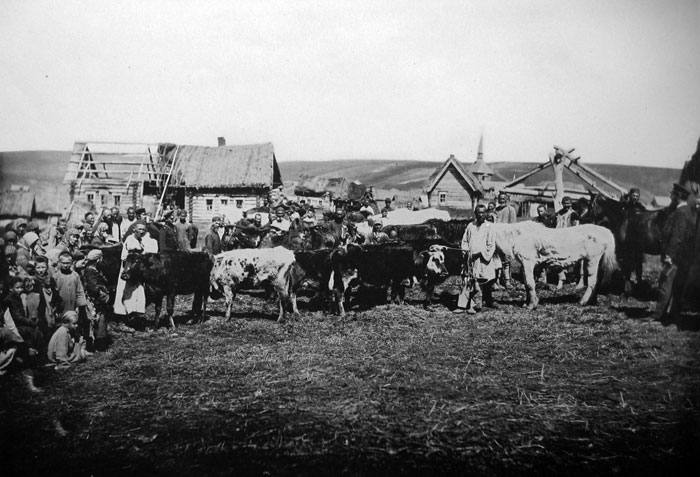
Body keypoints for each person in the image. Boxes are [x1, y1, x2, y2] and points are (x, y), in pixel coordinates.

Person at [654, 183, 696, 323]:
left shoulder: (680, 213)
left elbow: (677, 237)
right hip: (682, 257)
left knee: (665, 285)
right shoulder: (687, 211)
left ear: (678, 197)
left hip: (675, 257)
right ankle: (673, 315)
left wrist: (669, 256)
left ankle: (659, 316)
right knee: (675, 287)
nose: (670, 196)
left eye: (672, 194)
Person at [455, 204, 498, 314]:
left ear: (486, 214)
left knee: (478, 283)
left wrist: (479, 254)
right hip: (469, 259)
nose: (481, 215)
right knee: (465, 281)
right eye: (479, 212)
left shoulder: (490, 227)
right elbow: (464, 241)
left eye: (483, 212)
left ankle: (474, 306)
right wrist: (466, 252)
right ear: (475, 213)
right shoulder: (471, 226)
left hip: (482, 260)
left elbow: (491, 245)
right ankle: (461, 305)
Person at [113, 221, 149, 323]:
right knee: (128, 292)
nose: (141, 232)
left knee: (137, 291)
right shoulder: (130, 239)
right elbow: (130, 255)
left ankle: (134, 315)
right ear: (134, 230)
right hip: (129, 269)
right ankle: (125, 315)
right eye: (139, 229)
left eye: (143, 230)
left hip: (136, 271)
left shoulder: (139, 239)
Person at [53, 251, 90, 346]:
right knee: (62, 325)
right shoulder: (56, 277)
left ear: (72, 263)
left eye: (68, 263)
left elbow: (79, 291)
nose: (66, 265)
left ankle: (74, 345)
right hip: (61, 307)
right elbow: (54, 293)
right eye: (63, 263)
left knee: (73, 325)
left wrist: (80, 306)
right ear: (59, 263)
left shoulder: (75, 276)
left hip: (72, 305)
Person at [3, 276, 45, 352]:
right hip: (15, 326)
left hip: (21, 323)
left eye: (22, 287)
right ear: (11, 288)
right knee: (35, 333)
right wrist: (30, 322)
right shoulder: (9, 300)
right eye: (17, 288)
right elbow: (16, 317)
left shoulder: (19, 297)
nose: (20, 290)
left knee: (36, 332)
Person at [24, 255, 62, 340]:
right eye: (38, 267)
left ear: (47, 267)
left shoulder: (51, 280)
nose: (40, 270)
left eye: (43, 267)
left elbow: (55, 294)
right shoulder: (32, 281)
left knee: (49, 329)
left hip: (49, 308)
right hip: (37, 309)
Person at [81, 249, 111, 351]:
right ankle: (98, 344)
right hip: (95, 300)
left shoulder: (94, 270)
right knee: (97, 320)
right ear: (98, 259)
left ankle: (99, 341)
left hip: (97, 299)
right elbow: (94, 287)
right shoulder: (90, 271)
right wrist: (102, 293)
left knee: (100, 319)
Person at [554, 196, 579, 289]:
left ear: (571, 204)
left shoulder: (574, 215)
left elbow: (576, 228)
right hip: (559, 239)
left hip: (570, 240)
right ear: (562, 204)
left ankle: (571, 278)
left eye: (568, 204)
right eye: (565, 204)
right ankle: (561, 279)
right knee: (558, 259)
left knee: (570, 260)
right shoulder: (559, 214)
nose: (566, 206)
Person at [494, 192, 517, 289]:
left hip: (506, 237)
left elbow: (513, 225)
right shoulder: (496, 210)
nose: (502, 200)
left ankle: (507, 280)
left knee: (506, 260)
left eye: (504, 199)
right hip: (496, 237)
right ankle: (496, 280)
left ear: (507, 200)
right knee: (496, 259)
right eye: (500, 199)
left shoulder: (510, 210)